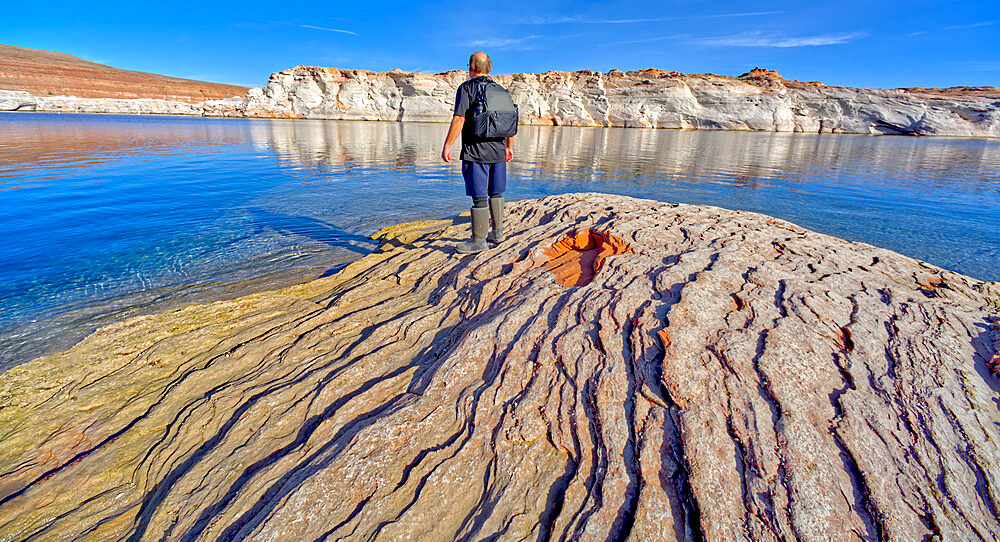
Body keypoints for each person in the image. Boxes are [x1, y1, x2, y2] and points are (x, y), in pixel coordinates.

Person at [441, 51, 515, 254]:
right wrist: (509, 147)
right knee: (496, 192)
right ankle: (498, 233)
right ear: (489, 67)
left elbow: (459, 119)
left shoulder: (467, 88)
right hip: (499, 151)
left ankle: (478, 241)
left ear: (470, 67)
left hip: (476, 151)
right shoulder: (501, 90)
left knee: (479, 198)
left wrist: (447, 145)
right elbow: (511, 120)